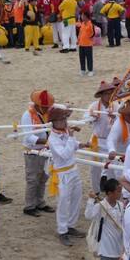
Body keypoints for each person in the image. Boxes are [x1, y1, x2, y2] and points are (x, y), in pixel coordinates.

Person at [47, 104, 89, 245]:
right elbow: (64, 154)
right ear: (55, 122)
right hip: (63, 174)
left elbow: (72, 145)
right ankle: (62, 230)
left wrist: (82, 144)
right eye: (63, 119)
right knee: (64, 202)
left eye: (65, 118)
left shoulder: (63, 131)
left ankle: (71, 225)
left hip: (73, 169)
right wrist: (72, 138)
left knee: (76, 198)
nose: (66, 121)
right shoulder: (52, 139)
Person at [85, 177, 124, 260]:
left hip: (117, 241)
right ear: (109, 193)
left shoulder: (120, 205)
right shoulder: (101, 206)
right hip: (105, 242)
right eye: (118, 191)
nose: (120, 193)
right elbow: (88, 215)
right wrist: (91, 200)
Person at [19, 89, 56, 217]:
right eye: (44, 107)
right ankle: (29, 206)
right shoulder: (27, 115)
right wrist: (48, 141)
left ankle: (40, 202)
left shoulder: (45, 113)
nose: (47, 109)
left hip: (45, 150)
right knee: (32, 179)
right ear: (37, 105)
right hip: (33, 151)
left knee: (43, 177)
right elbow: (28, 137)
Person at [77, 11, 95, 77]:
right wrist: (78, 39)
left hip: (88, 44)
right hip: (81, 44)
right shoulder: (82, 24)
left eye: (83, 16)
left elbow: (93, 33)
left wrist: (89, 38)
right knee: (81, 58)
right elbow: (80, 32)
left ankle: (90, 70)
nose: (82, 17)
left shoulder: (90, 24)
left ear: (86, 16)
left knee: (89, 58)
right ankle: (83, 70)